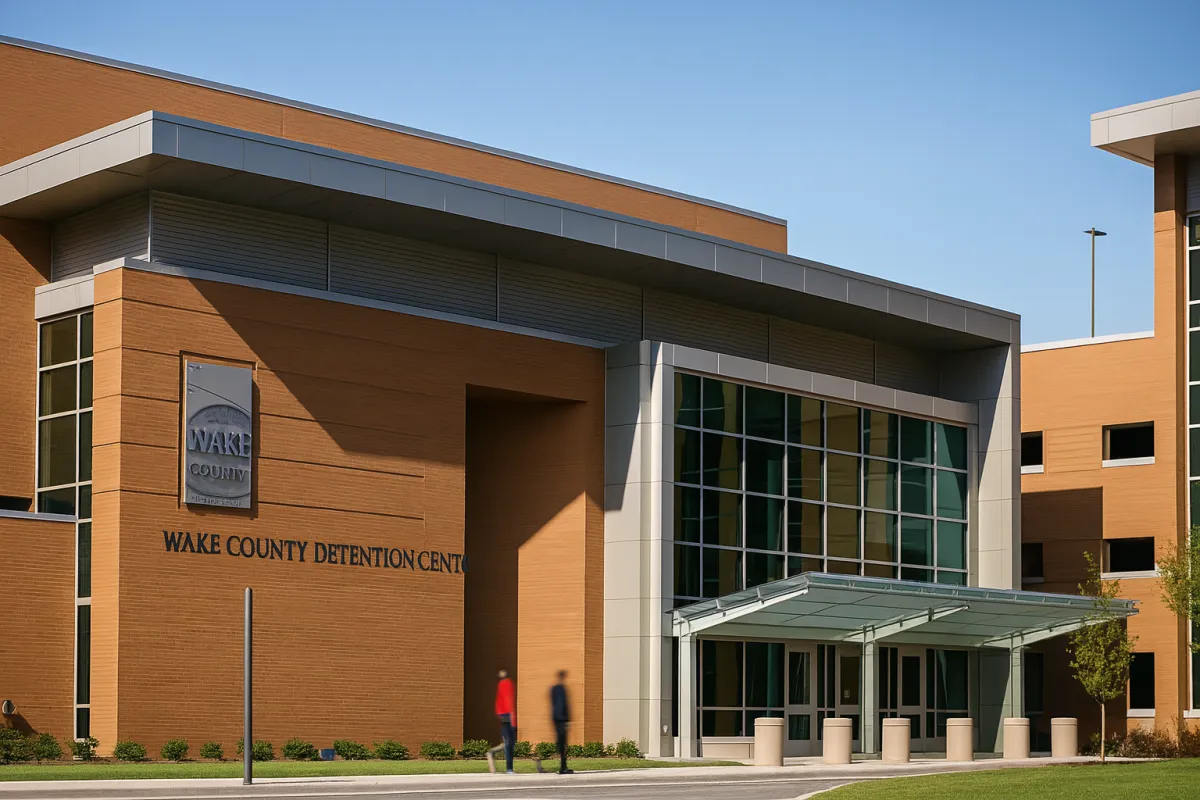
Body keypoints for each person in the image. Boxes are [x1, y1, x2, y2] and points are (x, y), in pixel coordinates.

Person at [487, 669, 516, 774]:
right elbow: (504, 701)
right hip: (506, 715)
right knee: (509, 743)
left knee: (510, 743)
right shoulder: (504, 684)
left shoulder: (507, 684)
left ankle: (492, 752)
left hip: (507, 715)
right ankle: (509, 768)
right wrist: (507, 715)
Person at [550, 670, 573, 775]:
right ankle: (563, 767)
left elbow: (554, 703)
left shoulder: (553, 689)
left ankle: (563, 766)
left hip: (555, 718)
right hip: (561, 719)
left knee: (561, 742)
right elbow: (563, 704)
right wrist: (566, 719)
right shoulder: (562, 689)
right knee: (563, 743)